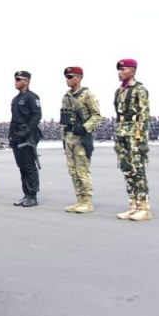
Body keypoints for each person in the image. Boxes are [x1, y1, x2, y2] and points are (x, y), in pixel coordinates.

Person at [113, 58, 152, 221]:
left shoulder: (139, 90)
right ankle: (133, 206)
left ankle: (144, 208)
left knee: (138, 170)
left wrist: (141, 139)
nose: (120, 72)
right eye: (119, 69)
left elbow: (144, 115)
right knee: (126, 169)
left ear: (133, 71)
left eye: (123, 69)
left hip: (134, 135)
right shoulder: (119, 91)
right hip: (121, 133)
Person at [59, 66, 102, 213]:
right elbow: (64, 119)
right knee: (73, 171)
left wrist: (84, 127)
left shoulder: (87, 95)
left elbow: (97, 116)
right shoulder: (66, 96)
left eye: (70, 77)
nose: (67, 79)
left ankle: (87, 201)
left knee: (82, 170)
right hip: (69, 138)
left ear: (78, 78)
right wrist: (63, 139)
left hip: (81, 138)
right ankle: (79, 200)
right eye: (66, 77)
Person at [10, 70, 42, 207]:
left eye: (19, 79)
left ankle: (32, 196)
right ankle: (26, 194)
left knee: (29, 166)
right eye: (15, 79)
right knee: (22, 166)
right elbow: (14, 119)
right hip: (17, 135)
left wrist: (27, 131)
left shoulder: (32, 97)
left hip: (28, 136)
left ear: (27, 81)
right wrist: (11, 136)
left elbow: (37, 115)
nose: (16, 82)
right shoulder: (15, 99)